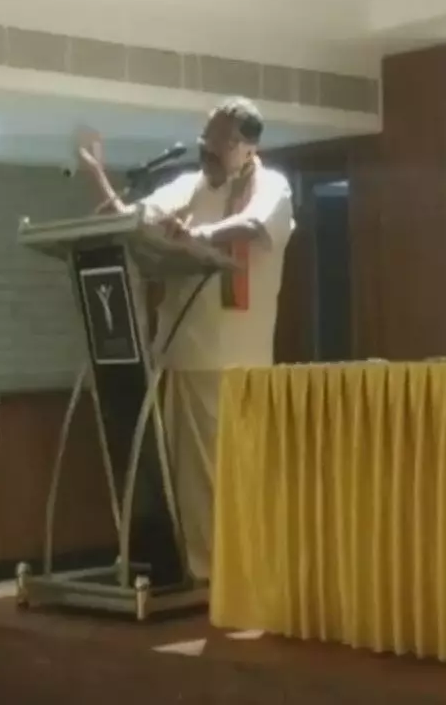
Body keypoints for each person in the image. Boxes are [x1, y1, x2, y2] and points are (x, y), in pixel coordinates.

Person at [76, 96, 295, 580]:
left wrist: (196, 236)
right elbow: (132, 220)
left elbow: (253, 226)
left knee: (222, 484)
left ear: (247, 147)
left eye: (218, 144)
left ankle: (229, 578)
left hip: (235, 365)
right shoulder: (187, 186)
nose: (206, 151)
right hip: (176, 357)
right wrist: (98, 177)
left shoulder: (272, 185)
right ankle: (183, 571)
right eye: (204, 141)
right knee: (175, 485)